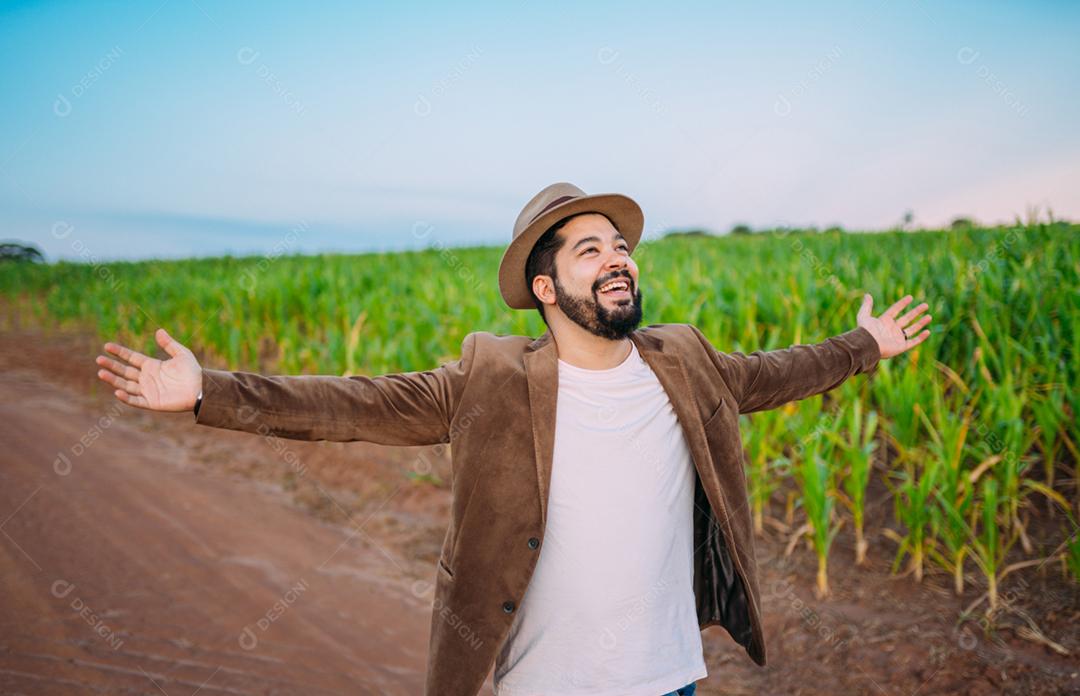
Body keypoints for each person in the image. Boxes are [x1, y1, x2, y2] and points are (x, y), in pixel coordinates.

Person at [96, 182, 932, 696]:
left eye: (623, 247)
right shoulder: (491, 378)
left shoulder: (686, 360)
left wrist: (865, 347)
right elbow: (352, 404)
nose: (618, 260)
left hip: (670, 678)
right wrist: (211, 392)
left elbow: (780, 372)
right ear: (545, 286)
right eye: (590, 249)